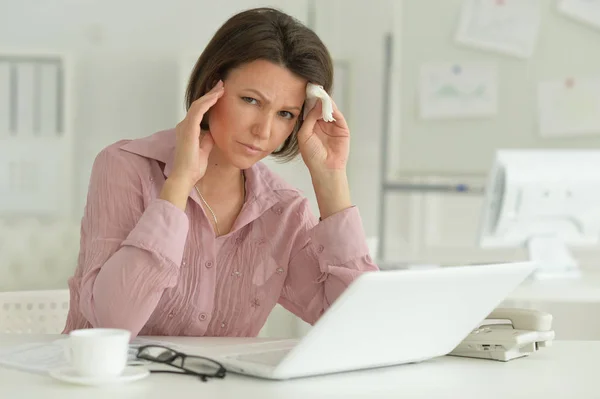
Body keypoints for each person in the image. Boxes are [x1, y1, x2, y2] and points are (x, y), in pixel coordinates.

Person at [63, 7, 379, 338]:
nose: (263, 130)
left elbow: (359, 326)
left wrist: (331, 179)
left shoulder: (283, 212)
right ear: (212, 87)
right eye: (251, 101)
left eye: (285, 113)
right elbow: (113, 323)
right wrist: (179, 184)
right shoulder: (124, 167)